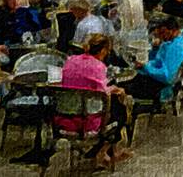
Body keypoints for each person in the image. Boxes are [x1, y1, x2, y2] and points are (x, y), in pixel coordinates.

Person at [55, 34, 132, 168]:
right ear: (103, 51)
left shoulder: (71, 60)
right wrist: (115, 90)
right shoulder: (99, 66)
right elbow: (102, 94)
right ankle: (101, 153)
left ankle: (105, 154)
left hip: (64, 118)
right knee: (120, 110)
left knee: (113, 106)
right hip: (87, 122)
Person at [118, 16, 183, 101]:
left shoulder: (175, 47)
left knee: (120, 88)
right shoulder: (182, 39)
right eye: (159, 34)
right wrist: (146, 65)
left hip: (162, 85)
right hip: (161, 79)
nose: (161, 37)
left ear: (172, 30)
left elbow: (166, 77)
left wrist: (146, 67)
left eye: (163, 33)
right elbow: (160, 62)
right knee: (128, 81)